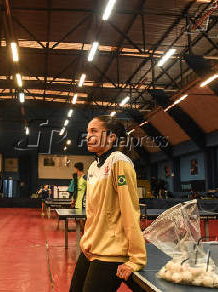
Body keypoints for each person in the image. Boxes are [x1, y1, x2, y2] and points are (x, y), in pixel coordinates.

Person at [70, 115, 146, 292]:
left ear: (111, 137)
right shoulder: (93, 167)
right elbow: (92, 212)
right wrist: (86, 241)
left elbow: (130, 210)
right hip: (91, 249)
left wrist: (137, 258)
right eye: (87, 131)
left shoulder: (119, 162)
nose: (88, 136)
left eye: (94, 131)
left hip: (112, 252)